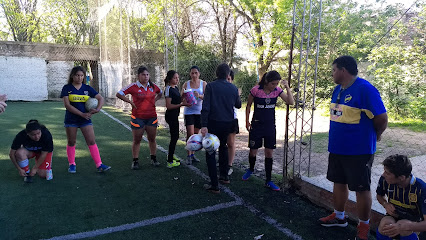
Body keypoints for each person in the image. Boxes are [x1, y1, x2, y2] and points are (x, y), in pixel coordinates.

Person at [318, 56, 388, 240]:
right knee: (338, 183)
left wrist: (377, 135)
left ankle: (364, 226)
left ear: (343, 70)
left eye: (333, 70)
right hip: (337, 148)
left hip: (359, 151)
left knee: (361, 188)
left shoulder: (365, 89)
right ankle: (339, 217)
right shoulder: (337, 89)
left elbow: (381, 118)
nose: (332, 74)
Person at [242, 70, 294, 191]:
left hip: (270, 126)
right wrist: (247, 121)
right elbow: (248, 105)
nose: (275, 86)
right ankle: (250, 169)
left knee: (269, 153)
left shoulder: (277, 91)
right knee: (253, 151)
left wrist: (287, 87)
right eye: (273, 84)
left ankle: (268, 180)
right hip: (256, 125)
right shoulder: (256, 90)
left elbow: (290, 102)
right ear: (266, 82)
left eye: (277, 84)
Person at [61, 66, 111, 173]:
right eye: (77, 75)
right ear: (72, 76)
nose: (79, 78)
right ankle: (72, 164)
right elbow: (67, 105)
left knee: (91, 141)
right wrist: (81, 114)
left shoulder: (87, 89)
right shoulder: (67, 88)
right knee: (71, 142)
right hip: (71, 119)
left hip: (85, 119)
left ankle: (99, 165)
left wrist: (97, 109)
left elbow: (100, 98)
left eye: (82, 75)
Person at [200, 63, 241, 194]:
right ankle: (224, 176)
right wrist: (237, 94)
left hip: (213, 123)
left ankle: (214, 184)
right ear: (228, 75)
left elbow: (206, 107)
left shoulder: (211, 86)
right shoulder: (233, 88)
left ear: (216, 74)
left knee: (211, 151)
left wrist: (204, 125)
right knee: (223, 147)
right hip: (228, 123)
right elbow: (238, 105)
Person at [116, 66, 163, 169]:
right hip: (138, 117)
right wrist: (130, 102)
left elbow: (160, 93)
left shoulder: (153, 86)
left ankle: (153, 158)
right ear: (139, 76)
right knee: (137, 140)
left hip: (151, 117)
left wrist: (154, 101)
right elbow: (119, 94)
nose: (146, 77)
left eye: (147, 75)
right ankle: (135, 161)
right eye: (143, 75)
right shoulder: (133, 86)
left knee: (152, 139)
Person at [376, 154, 426, 240]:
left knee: (405, 228)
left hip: (415, 221)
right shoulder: (385, 180)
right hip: (394, 216)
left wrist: (409, 226)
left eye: (387, 173)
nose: (383, 175)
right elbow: (379, 195)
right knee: (385, 224)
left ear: (401, 178)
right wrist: (385, 204)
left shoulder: (421, 189)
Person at [164, 70, 190, 168]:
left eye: (178, 78)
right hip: (170, 116)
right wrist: (181, 104)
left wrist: (184, 95)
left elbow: (178, 99)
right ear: (170, 79)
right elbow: (169, 106)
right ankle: (170, 161)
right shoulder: (168, 89)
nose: (177, 79)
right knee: (174, 137)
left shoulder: (175, 88)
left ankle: (171, 155)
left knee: (175, 136)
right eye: (175, 78)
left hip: (175, 115)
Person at [182, 66, 207, 165]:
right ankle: (188, 156)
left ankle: (192, 155)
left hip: (199, 112)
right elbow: (181, 97)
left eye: (196, 73)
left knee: (196, 135)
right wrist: (185, 98)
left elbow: (207, 97)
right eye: (192, 73)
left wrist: (199, 96)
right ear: (190, 74)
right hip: (189, 111)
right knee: (190, 134)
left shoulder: (203, 84)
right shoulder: (186, 84)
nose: (194, 75)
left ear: (199, 73)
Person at [226, 70, 240, 175]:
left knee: (230, 143)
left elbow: (238, 105)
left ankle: (230, 165)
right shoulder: (218, 89)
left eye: (229, 79)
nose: (227, 81)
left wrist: (237, 95)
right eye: (225, 78)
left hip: (232, 119)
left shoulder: (234, 90)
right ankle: (222, 161)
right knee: (221, 142)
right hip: (220, 119)